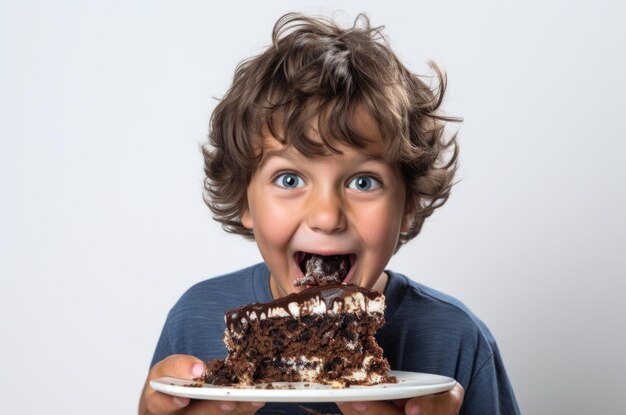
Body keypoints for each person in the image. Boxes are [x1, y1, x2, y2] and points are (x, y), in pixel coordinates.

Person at [139, 13, 520, 415]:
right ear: (243, 199)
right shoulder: (194, 321)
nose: (326, 216)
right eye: (289, 180)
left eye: (363, 182)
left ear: (407, 206)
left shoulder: (458, 341)